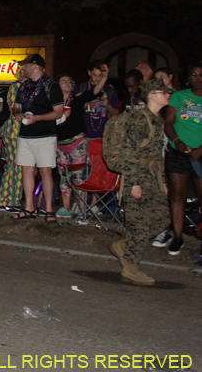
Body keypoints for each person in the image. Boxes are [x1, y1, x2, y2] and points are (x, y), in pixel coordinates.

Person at [109, 78, 172, 285]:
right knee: (140, 224)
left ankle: (125, 247)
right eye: (164, 92)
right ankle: (130, 267)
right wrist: (134, 182)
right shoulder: (139, 118)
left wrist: (161, 181)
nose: (168, 95)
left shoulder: (158, 120)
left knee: (162, 219)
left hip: (151, 176)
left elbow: (157, 155)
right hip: (136, 176)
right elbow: (128, 151)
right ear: (151, 95)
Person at [11, 54, 64, 223]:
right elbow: (15, 107)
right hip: (25, 135)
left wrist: (38, 118)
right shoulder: (25, 86)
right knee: (26, 171)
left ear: (34, 66)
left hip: (45, 135)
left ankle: (48, 209)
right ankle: (29, 208)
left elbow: (58, 112)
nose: (22, 68)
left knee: (45, 171)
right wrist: (17, 114)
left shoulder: (51, 86)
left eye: (24, 65)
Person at [158, 64, 202, 256]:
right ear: (188, 78)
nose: (198, 78)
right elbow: (168, 122)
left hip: (200, 155)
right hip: (178, 152)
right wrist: (177, 141)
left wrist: (200, 150)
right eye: (194, 75)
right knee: (177, 196)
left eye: (201, 75)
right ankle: (177, 236)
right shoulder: (179, 96)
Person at [54, 70, 110, 217]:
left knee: (78, 177)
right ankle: (66, 208)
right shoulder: (53, 103)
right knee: (64, 177)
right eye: (63, 81)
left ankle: (82, 209)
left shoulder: (77, 99)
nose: (67, 83)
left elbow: (94, 92)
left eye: (69, 81)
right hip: (60, 144)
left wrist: (104, 78)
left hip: (77, 142)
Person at [0, 69, 24, 212]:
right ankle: (7, 200)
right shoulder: (16, 87)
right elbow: (14, 108)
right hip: (13, 131)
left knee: (16, 166)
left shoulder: (24, 87)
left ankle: (9, 199)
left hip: (19, 132)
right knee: (15, 166)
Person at [77, 60, 120, 144]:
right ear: (89, 73)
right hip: (83, 136)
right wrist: (86, 104)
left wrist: (108, 105)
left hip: (104, 136)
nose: (97, 78)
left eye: (100, 75)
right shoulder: (80, 88)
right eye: (94, 75)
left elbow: (117, 114)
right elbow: (71, 109)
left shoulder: (110, 90)